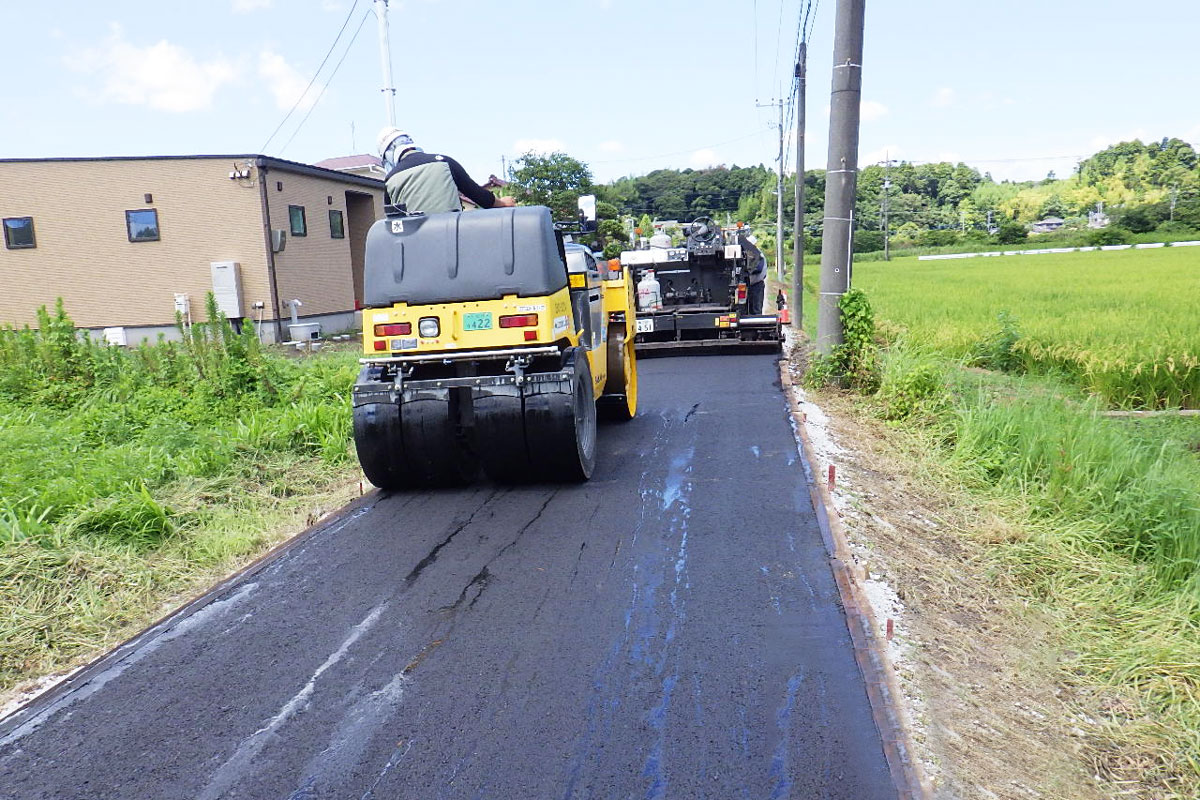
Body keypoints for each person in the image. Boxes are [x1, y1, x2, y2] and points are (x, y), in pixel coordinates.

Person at [377, 127, 516, 214]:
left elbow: (392, 219)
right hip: (451, 238)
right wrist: (503, 203)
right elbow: (479, 196)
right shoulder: (444, 161)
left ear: (387, 156)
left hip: (415, 247)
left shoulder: (390, 179)